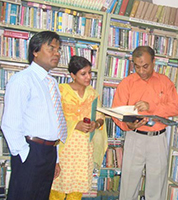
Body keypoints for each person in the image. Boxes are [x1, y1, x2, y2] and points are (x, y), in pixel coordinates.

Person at [1, 31, 67, 200]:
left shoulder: (52, 83)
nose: (57, 53)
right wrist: (24, 154)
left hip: (49, 152)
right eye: (51, 48)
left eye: (58, 49)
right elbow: (10, 123)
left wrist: (56, 157)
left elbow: (55, 123)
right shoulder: (22, 80)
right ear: (35, 51)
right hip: (31, 150)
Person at [112, 46, 178, 200]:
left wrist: (152, 107)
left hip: (158, 138)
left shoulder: (165, 82)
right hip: (134, 137)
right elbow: (116, 113)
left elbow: (175, 108)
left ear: (154, 62)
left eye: (145, 66)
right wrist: (127, 125)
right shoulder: (127, 83)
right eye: (137, 66)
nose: (141, 71)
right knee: (128, 183)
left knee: (157, 185)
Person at [49, 55, 107, 200]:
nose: (88, 77)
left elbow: (101, 117)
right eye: (83, 74)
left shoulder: (92, 94)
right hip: (64, 149)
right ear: (73, 75)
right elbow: (52, 118)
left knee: (76, 191)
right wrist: (75, 124)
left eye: (89, 73)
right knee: (57, 188)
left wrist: (96, 124)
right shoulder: (61, 91)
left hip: (83, 149)